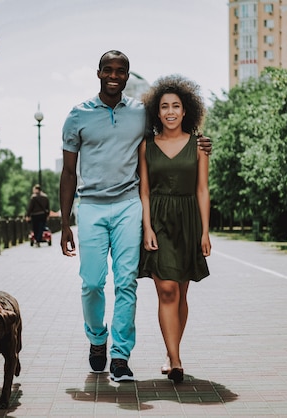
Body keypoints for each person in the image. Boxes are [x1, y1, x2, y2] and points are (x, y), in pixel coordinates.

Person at [60, 50, 211, 382]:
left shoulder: (141, 113)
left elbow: (172, 129)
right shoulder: (77, 116)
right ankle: (98, 339)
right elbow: (69, 173)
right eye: (108, 70)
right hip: (91, 207)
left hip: (130, 204)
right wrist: (64, 224)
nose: (114, 76)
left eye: (121, 71)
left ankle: (120, 356)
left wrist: (201, 142)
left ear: (127, 76)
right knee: (92, 283)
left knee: (126, 283)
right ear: (98, 73)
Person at [138, 74, 211, 384]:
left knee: (181, 293)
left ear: (186, 111)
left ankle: (171, 353)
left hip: (188, 220)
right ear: (157, 111)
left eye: (176, 106)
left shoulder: (199, 145)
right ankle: (177, 360)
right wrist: (147, 228)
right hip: (158, 219)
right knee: (166, 290)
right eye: (165, 106)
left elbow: (203, 190)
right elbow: (143, 190)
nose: (170, 112)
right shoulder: (146, 146)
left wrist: (205, 232)